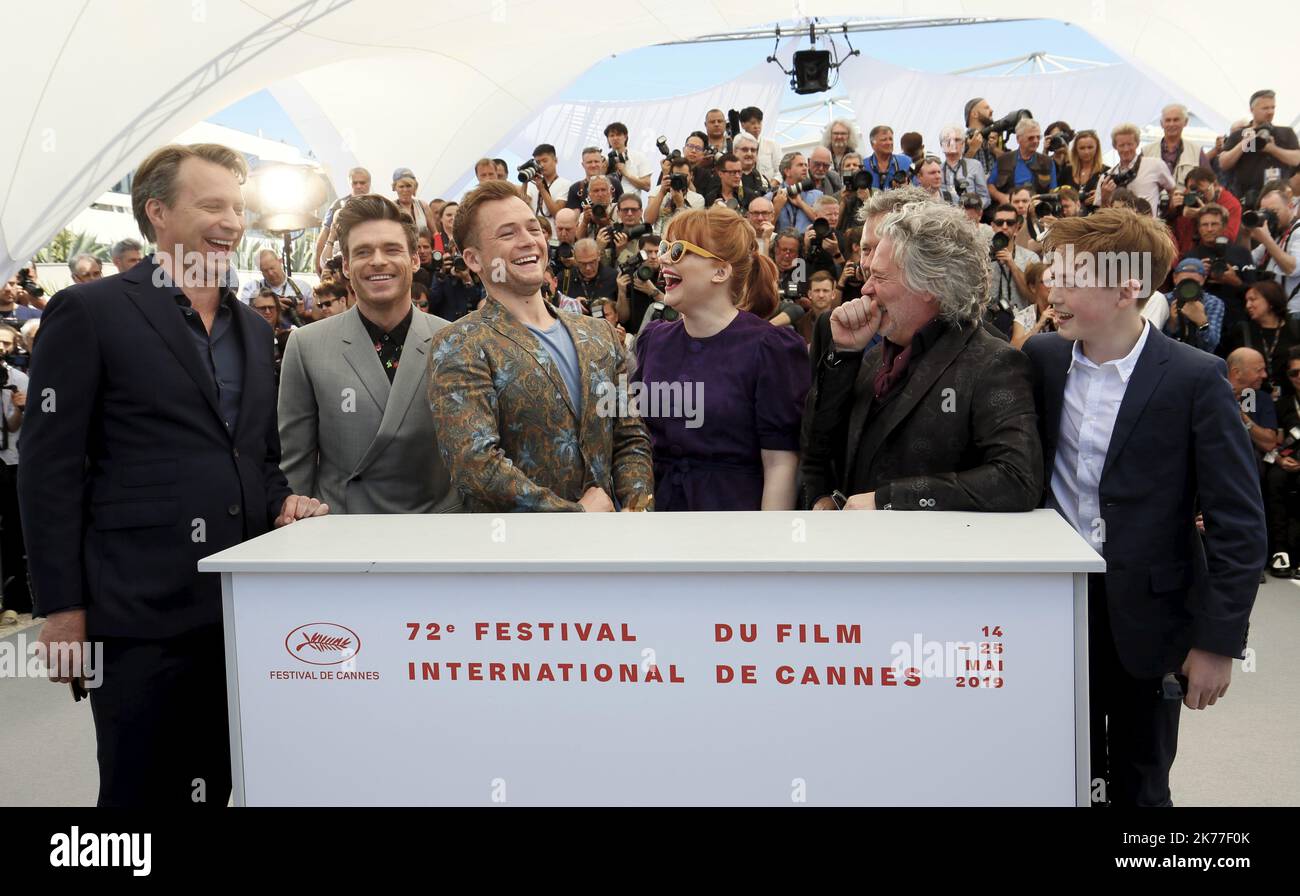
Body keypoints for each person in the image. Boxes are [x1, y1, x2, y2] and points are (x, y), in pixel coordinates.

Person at [18, 142, 325, 807]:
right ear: (158, 212)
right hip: (137, 612)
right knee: (141, 793)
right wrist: (64, 610)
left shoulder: (251, 326)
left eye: (238, 208)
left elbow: (257, 457)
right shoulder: (90, 311)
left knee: (217, 783)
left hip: (239, 608)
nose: (232, 222)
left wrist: (285, 503)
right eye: (211, 204)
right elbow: (50, 468)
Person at [1021, 208, 1266, 807]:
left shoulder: (1195, 377)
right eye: (1053, 275)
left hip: (1152, 622)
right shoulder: (1042, 360)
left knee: (1141, 787)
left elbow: (1239, 523)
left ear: (1130, 286)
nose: (1054, 291)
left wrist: (1217, 642)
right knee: (1059, 775)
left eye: (1072, 279)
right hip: (1056, 612)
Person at [800, 199, 1042, 512]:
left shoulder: (993, 362)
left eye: (881, 277)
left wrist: (887, 500)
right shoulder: (872, 357)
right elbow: (818, 448)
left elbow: (1017, 480)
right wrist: (845, 356)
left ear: (930, 284)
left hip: (935, 558)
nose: (866, 289)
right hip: (858, 553)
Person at [427, 179, 654, 512]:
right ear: (473, 259)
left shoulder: (599, 334)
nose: (528, 241)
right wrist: (575, 515)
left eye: (533, 228)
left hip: (612, 546)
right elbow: (475, 466)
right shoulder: (459, 344)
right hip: (520, 554)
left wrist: (636, 512)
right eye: (507, 234)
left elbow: (630, 437)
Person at [279, 194, 460, 515]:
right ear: (346, 266)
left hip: (436, 535)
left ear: (416, 260)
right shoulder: (306, 346)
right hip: (343, 532)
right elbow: (296, 464)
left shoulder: (455, 340)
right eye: (363, 252)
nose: (378, 261)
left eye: (392, 249)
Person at [632, 206, 808, 511]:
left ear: (720, 271)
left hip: (733, 524)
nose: (661, 259)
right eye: (663, 248)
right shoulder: (653, 339)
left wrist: (770, 548)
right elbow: (634, 439)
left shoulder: (771, 348)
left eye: (677, 251)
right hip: (658, 520)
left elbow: (780, 463)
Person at [1220, 279, 1299, 399]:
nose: (1248, 305)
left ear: (1271, 301)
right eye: (1246, 301)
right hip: (1250, 398)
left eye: (1253, 299)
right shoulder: (1241, 331)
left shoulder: (1295, 328)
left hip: (1290, 397)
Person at [1219, 90, 1300, 204]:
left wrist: (1272, 149)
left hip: (1279, 198)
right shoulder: (1241, 134)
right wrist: (1243, 144)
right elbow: (1223, 163)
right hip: (1246, 197)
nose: (1270, 112)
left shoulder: (1285, 133)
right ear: (1252, 110)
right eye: (1265, 108)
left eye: (1273, 107)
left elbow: (1296, 159)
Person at [0, 326, 30, 626]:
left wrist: (21, 407)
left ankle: (14, 598)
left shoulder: (18, 379)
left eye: (6, 343)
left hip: (11, 463)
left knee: (13, 532)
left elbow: (11, 428)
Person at [1264, 347, 1300, 576]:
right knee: (1274, 478)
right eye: (1294, 373)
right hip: (1285, 462)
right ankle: (1280, 551)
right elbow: (1273, 442)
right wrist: (1278, 459)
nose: (1299, 378)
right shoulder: (1280, 405)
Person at [1098, 123, 1175, 218]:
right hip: (1117, 230)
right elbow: (1100, 216)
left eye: (1130, 144)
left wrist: (1168, 213)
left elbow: (1173, 190)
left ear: (1137, 143)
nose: (1126, 149)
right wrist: (1104, 198)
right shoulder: (1106, 177)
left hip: (1147, 228)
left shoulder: (1155, 165)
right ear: (1115, 146)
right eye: (1121, 145)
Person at [1247, 181, 1300, 307]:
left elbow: (1292, 268)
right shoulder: (1276, 234)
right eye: (1264, 213)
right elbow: (1248, 261)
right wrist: (1245, 234)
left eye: (1274, 212)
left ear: (1290, 206)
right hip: (1276, 310)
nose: (1269, 217)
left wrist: (1266, 239)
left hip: (1294, 311)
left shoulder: (1298, 231)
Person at [988, 118, 1057, 206]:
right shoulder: (1003, 160)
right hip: (1009, 209)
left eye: (1038, 137)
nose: (1036, 141)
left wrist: (1041, 202)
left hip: (1036, 209)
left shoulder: (1048, 162)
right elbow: (990, 185)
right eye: (1031, 138)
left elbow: (1053, 190)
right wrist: (1002, 197)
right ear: (1018, 139)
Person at [1163, 258, 1225, 354]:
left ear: (1203, 279)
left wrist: (1202, 322)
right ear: (1175, 278)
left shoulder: (1212, 302)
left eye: (1194, 283)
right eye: (1184, 282)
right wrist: (1172, 325)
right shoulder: (1164, 300)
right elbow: (1155, 344)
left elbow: (1211, 346)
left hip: (1199, 359)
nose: (1188, 288)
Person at [315, 166, 371, 273]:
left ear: (369, 183)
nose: (358, 186)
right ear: (350, 184)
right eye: (355, 183)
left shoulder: (377, 205)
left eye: (362, 183)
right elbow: (325, 233)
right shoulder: (338, 205)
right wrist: (318, 264)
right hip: (341, 261)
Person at [1142, 104, 1210, 186]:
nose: (1171, 124)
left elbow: (1209, 183)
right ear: (1161, 124)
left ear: (1185, 122)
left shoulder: (1196, 151)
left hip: (1186, 198)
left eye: (1176, 120)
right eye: (1168, 120)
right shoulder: (1146, 151)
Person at [938, 126, 989, 209]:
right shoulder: (937, 170)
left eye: (957, 140)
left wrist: (974, 209)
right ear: (941, 145)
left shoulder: (975, 165)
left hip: (971, 216)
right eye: (947, 140)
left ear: (963, 143)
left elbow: (985, 197)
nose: (952, 143)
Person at [1009, 261, 1057, 350]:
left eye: (1054, 280)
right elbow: (1013, 349)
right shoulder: (1023, 316)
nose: (1052, 285)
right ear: (1033, 287)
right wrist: (1038, 325)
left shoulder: (1063, 311)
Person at [523, 143, 571, 231]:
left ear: (555, 160)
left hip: (553, 238)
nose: (541, 165)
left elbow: (557, 214)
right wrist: (525, 181)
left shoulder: (565, 184)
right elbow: (523, 208)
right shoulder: (531, 183)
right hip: (534, 235)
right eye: (537, 162)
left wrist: (542, 189)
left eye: (545, 161)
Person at [772, 152, 822, 232]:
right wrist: (776, 208)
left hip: (809, 242)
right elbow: (764, 229)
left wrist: (801, 204)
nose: (805, 168)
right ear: (787, 171)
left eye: (806, 165)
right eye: (800, 165)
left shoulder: (817, 195)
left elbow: (824, 224)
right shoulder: (772, 196)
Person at [604, 122, 653, 196]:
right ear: (608, 139)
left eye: (618, 135)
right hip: (610, 204)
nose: (615, 138)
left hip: (632, 204)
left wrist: (626, 174)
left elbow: (647, 186)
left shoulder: (639, 157)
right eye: (611, 136)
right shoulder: (604, 161)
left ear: (625, 137)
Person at [862, 125, 913, 192]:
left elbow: (917, 187)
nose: (889, 143)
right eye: (884, 140)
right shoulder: (863, 165)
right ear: (873, 144)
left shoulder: (906, 162)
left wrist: (906, 188)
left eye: (891, 139)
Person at [739, 106, 782, 184]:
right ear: (743, 125)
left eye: (759, 122)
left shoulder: (772, 144)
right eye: (753, 123)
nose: (756, 126)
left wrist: (772, 185)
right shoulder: (738, 147)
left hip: (770, 190)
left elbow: (780, 170)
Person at [1069, 130, 1108, 210]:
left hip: (1096, 219)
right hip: (1069, 220)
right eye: (1082, 148)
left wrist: (1099, 197)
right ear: (1076, 150)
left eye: (1090, 147)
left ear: (1097, 148)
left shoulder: (1107, 172)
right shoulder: (1066, 171)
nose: (1086, 152)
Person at [391, 167, 436, 235]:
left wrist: (439, 245)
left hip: (423, 245)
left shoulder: (423, 206)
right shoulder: (391, 208)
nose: (405, 190)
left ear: (414, 187)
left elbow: (435, 233)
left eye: (408, 186)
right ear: (395, 188)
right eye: (401, 186)